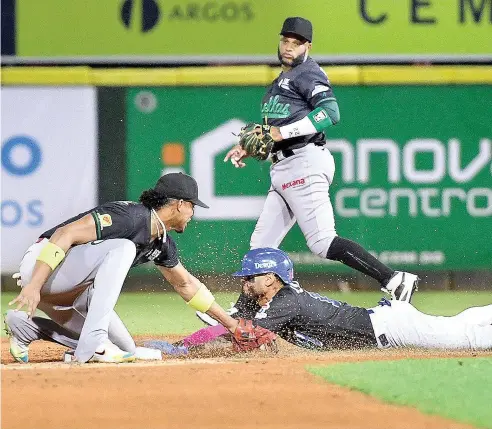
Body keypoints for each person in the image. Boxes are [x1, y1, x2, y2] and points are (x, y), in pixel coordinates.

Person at [197, 16, 419, 326]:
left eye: (296, 42)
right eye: (285, 40)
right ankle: (243, 313)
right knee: (260, 246)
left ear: (307, 46)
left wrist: (279, 135)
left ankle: (394, 279)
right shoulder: (278, 83)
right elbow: (273, 129)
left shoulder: (308, 73)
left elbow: (330, 113)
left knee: (323, 243)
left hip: (304, 162)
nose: (289, 47)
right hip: (284, 167)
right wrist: (251, 145)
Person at [4, 173, 269, 364]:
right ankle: (94, 341)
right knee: (123, 249)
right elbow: (64, 234)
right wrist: (34, 285)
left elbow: (186, 285)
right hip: (46, 267)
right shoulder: (131, 216)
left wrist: (232, 325)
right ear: (179, 204)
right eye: (192, 207)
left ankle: (28, 328)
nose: (193, 213)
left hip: (74, 290)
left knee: (125, 348)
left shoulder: (162, 241)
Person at [173, 248, 492, 353]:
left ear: (270, 278)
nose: (244, 283)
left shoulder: (285, 302)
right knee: (455, 325)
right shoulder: (280, 301)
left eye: (249, 277)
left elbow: (239, 333)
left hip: (392, 329)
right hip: (385, 322)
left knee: (464, 339)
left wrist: (186, 346)